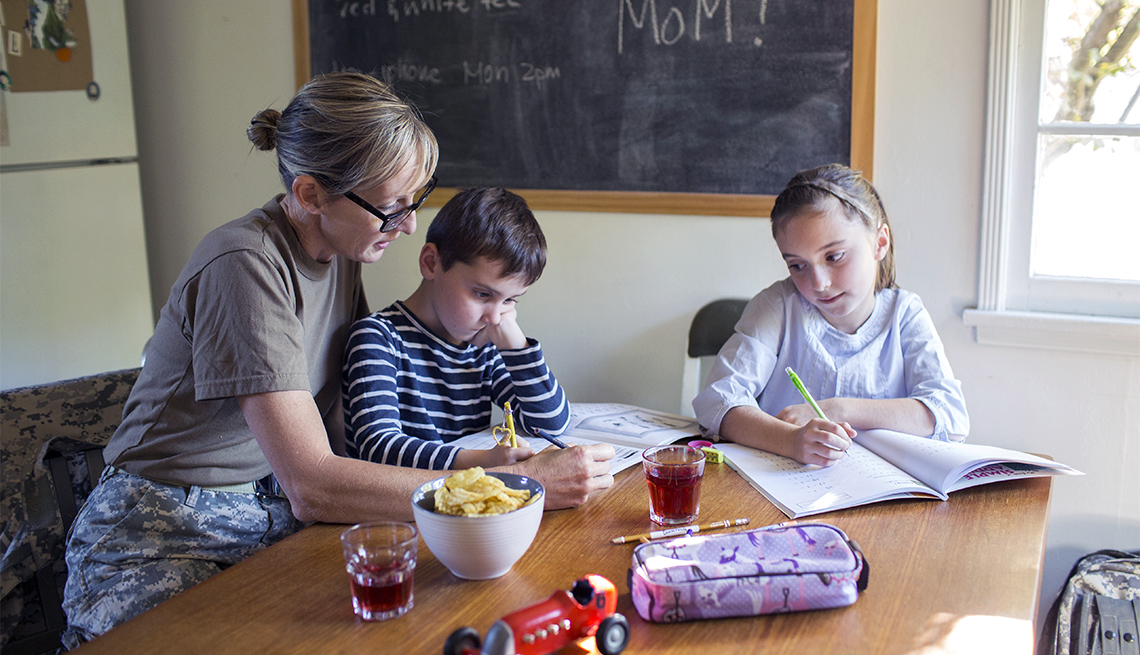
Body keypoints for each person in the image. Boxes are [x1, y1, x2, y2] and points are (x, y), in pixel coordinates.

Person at [61, 72, 613, 648]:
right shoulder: (244, 264)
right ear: (310, 195)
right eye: (390, 208)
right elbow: (313, 484)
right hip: (164, 534)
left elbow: (345, 425)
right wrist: (510, 483)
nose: (408, 226)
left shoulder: (345, 249)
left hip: (268, 520)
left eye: (415, 202)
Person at [692, 163, 969, 467]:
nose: (819, 284)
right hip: (782, 493)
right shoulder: (778, 306)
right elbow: (718, 402)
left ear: (879, 242)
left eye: (834, 257)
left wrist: (839, 409)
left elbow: (950, 416)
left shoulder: (905, 314)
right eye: (797, 265)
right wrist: (791, 441)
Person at [343, 187, 573, 470]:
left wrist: (517, 348)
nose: (495, 317)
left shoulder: (484, 348)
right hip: (394, 509)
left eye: (510, 300)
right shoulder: (378, 338)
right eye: (482, 294)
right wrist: (483, 462)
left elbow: (549, 423)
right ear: (431, 263)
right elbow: (377, 447)